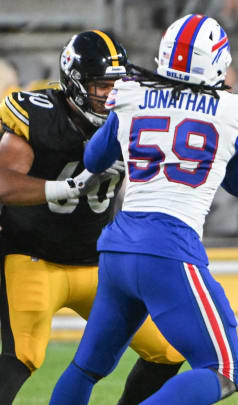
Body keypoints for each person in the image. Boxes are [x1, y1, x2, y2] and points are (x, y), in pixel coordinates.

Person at [48, 15, 238, 405]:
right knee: (225, 370)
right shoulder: (233, 109)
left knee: (86, 366)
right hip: (169, 249)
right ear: (216, 62)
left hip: (118, 247)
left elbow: (95, 157)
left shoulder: (132, 94)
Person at [0, 31, 185, 405]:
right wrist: (62, 187)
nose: (109, 95)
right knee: (23, 355)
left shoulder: (132, 116)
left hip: (97, 263)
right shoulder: (40, 115)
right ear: (75, 83)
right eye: (101, 86)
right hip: (33, 259)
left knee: (169, 350)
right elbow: (2, 183)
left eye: (116, 85)